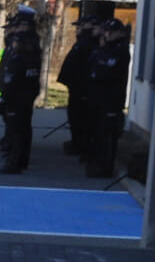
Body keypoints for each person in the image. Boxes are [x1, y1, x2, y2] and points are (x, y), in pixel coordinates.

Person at [0, 7, 43, 174]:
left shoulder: (29, 45)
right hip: (18, 91)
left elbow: (20, 72)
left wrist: (9, 92)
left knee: (19, 128)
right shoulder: (26, 44)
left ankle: (15, 161)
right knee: (19, 127)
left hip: (20, 93)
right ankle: (17, 159)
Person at [83, 19, 133, 178]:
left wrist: (98, 72)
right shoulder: (104, 49)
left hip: (111, 99)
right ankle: (97, 162)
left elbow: (107, 72)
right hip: (99, 98)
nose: (107, 35)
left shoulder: (120, 51)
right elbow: (93, 68)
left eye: (110, 32)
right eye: (106, 32)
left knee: (107, 135)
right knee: (98, 133)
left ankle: (105, 166)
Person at [56, 18, 98, 156]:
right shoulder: (82, 41)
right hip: (75, 86)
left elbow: (84, 66)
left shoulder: (88, 42)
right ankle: (76, 142)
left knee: (80, 118)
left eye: (80, 26)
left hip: (81, 87)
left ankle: (80, 144)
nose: (77, 29)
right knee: (74, 117)